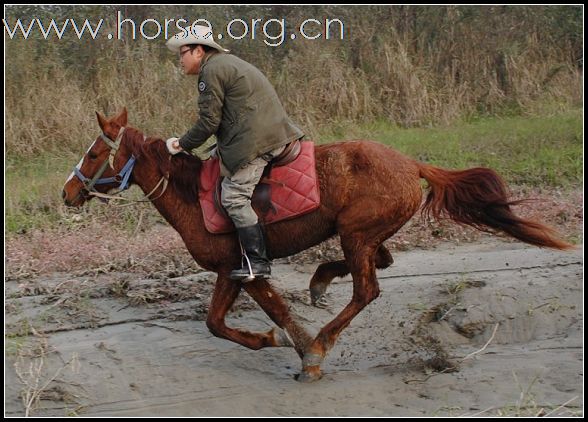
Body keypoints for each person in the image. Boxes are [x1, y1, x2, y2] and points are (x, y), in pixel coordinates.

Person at [165, 25, 304, 281]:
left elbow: (208, 123)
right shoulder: (224, 63)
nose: (180, 59)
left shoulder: (210, 71)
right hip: (263, 129)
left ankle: (257, 262)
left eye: (182, 53)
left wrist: (180, 144)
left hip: (259, 139)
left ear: (198, 51)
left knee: (234, 197)